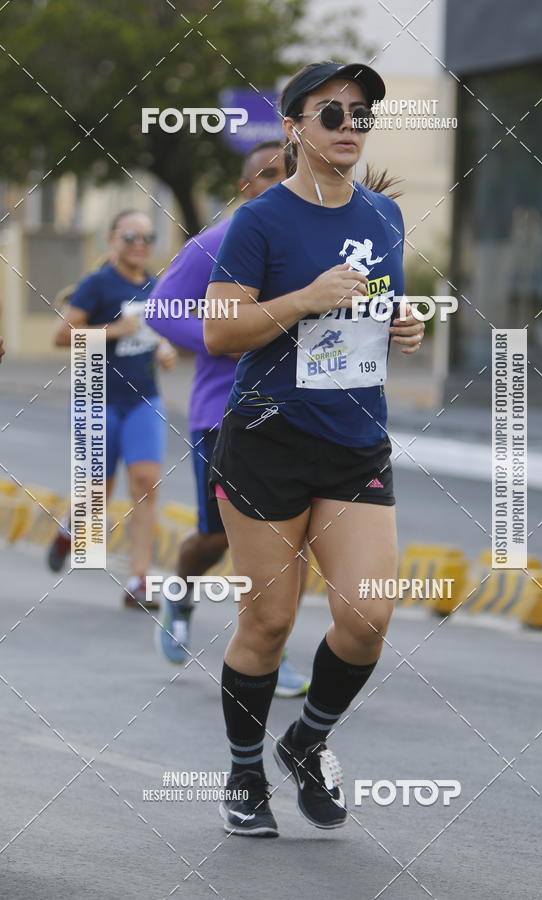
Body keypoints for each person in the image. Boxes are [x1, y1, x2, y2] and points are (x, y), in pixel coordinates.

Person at [204, 61, 424, 837]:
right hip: (268, 442)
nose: (349, 126)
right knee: (268, 623)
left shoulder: (385, 217)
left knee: (367, 616)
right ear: (294, 127)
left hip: (355, 441)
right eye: (332, 113)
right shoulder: (260, 221)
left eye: (362, 114)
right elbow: (220, 332)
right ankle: (241, 773)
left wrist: (402, 328)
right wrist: (302, 299)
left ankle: (306, 741)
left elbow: (367, 320)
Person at [146, 141, 310, 697]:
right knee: (217, 539)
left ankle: (270, 650)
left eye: (284, 174)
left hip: (297, 416)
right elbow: (161, 309)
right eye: (264, 175)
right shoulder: (214, 243)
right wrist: (223, 344)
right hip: (222, 416)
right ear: (245, 187)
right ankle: (181, 593)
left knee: (289, 543)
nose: (275, 183)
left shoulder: (308, 249)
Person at [48, 210, 178, 608]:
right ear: (112, 241)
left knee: (146, 483)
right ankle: (73, 528)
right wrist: (112, 331)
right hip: (97, 397)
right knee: (97, 493)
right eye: (129, 236)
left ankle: (139, 581)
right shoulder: (96, 284)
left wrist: (165, 348)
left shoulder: (157, 288)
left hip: (144, 398)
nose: (139, 244)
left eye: (146, 237)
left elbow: (158, 333)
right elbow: (61, 336)